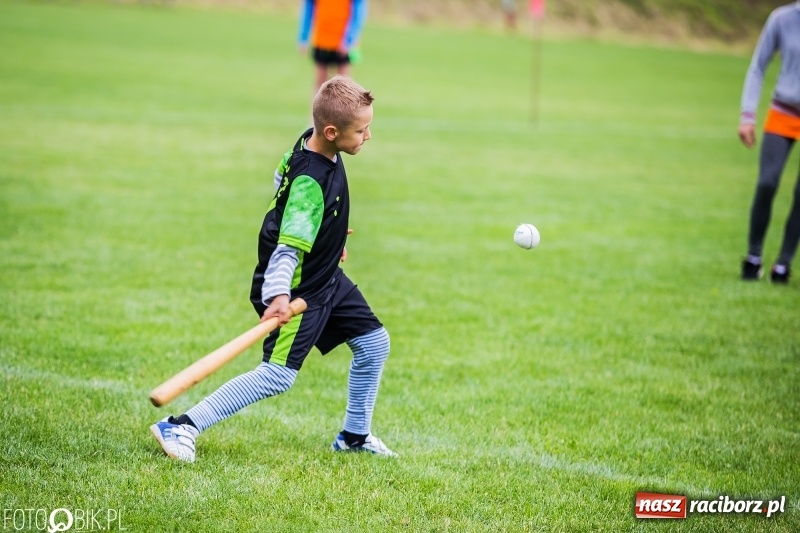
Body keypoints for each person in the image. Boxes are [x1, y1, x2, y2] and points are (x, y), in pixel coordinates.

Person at [150, 76, 396, 462]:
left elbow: (281, 176)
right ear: (332, 132)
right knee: (278, 374)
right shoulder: (310, 185)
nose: (368, 136)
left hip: (326, 275)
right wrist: (279, 295)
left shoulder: (309, 143)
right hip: (299, 290)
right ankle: (181, 425)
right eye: (362, 130)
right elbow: (285, 250)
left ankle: (354, 436)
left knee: (373, 343)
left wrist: (327, 233)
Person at [738, 1, 800, 284]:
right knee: (767, 182)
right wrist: (747, 114)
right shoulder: (783, 18)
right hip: (783, 111)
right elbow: (758, 66)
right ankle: (754, 256)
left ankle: (784, 264)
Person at [298, 0, 368, 94]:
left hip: (343, 42)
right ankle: (317, 108)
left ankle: (345, 108)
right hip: (321, 39)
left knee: (344, 85)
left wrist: (349, 40)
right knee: (320, 85)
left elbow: (358, 14)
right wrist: (303, 37)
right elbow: (308, 11)